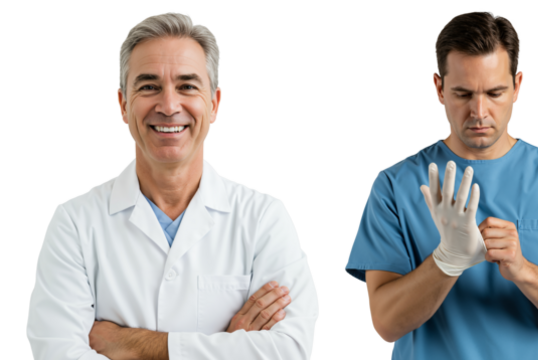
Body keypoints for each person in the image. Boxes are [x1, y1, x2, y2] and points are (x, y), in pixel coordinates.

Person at [26, 11, 319, 359]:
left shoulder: (263, 218)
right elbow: (57, 353)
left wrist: (133, 345)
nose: (168, 106)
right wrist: (227, 343)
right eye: (149, 86)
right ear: (122, 104)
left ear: (213, 104)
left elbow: (290, 350)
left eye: (187, 86)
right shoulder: (74, 222)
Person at [342, 9, 538, 359]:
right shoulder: (395, 184)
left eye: (494, 92)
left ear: (518, 86)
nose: (478, 111)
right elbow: (385, 324)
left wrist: (524, 271)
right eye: (462, 94)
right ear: (439, 88)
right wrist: (447, 260)